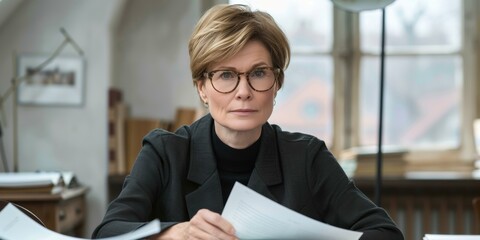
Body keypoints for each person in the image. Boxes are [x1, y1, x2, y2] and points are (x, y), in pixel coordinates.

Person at [92, 4, 404, 240]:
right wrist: (174, 234)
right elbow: (108, 232)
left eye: (258, 73)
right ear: (201, 87)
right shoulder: (164, 152)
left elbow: (384, 233)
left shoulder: (307, 157)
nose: (244, 92)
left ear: (277, 82)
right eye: (226, 75)